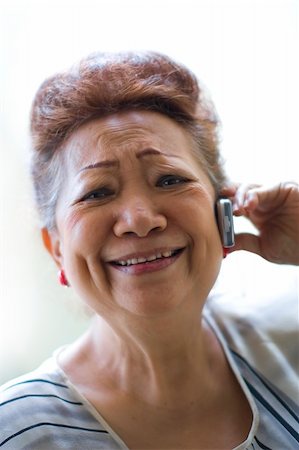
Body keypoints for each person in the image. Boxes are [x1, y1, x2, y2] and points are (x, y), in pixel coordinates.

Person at [0, 51, 298, 450]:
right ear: (56, 249)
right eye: (97, 192)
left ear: (223, 211)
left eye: (170, 180)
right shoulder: (18, 431)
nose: (140, 219)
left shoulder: (285, 343)